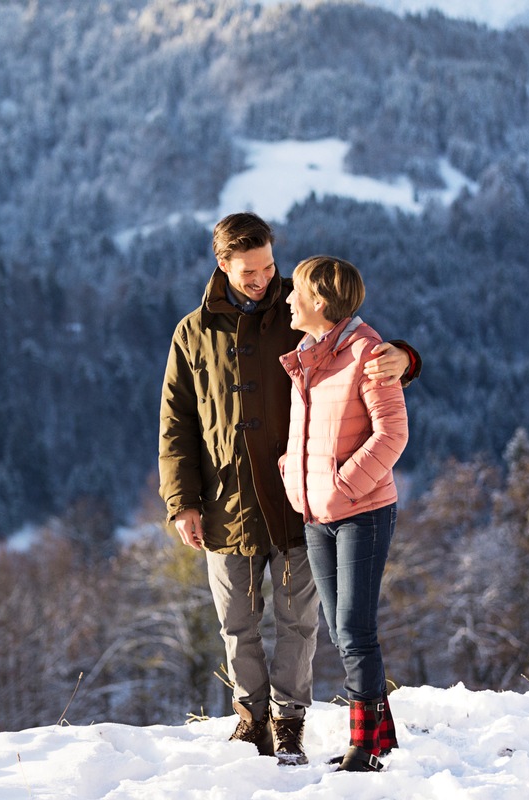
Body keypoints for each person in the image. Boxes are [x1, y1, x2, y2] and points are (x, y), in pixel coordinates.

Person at [158, 213, 420, 766]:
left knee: (301, 621)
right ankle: (250, 720)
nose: (263, 279)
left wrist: (405, 355)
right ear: (223, 266)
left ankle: (289, 722)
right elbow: (176, 422)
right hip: (225, 500)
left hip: (301, 502)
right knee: (237, 623)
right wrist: (181, 500)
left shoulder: (297, 309)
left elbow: (356, 341)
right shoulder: (193, 331)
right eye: (250, 270)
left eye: (269, 266)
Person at [278, 255, 409, 772]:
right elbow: (304, 437)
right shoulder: (308, 356)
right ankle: (380, 735)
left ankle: (365, 746)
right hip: (316, 514)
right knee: (340, 629)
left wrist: (342, 486)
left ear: (321, 301)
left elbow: (392, 433)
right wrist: (295, 475)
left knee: (354, 630)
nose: (288, 299)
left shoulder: (368, 354)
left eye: (297, 292)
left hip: (363, 511)